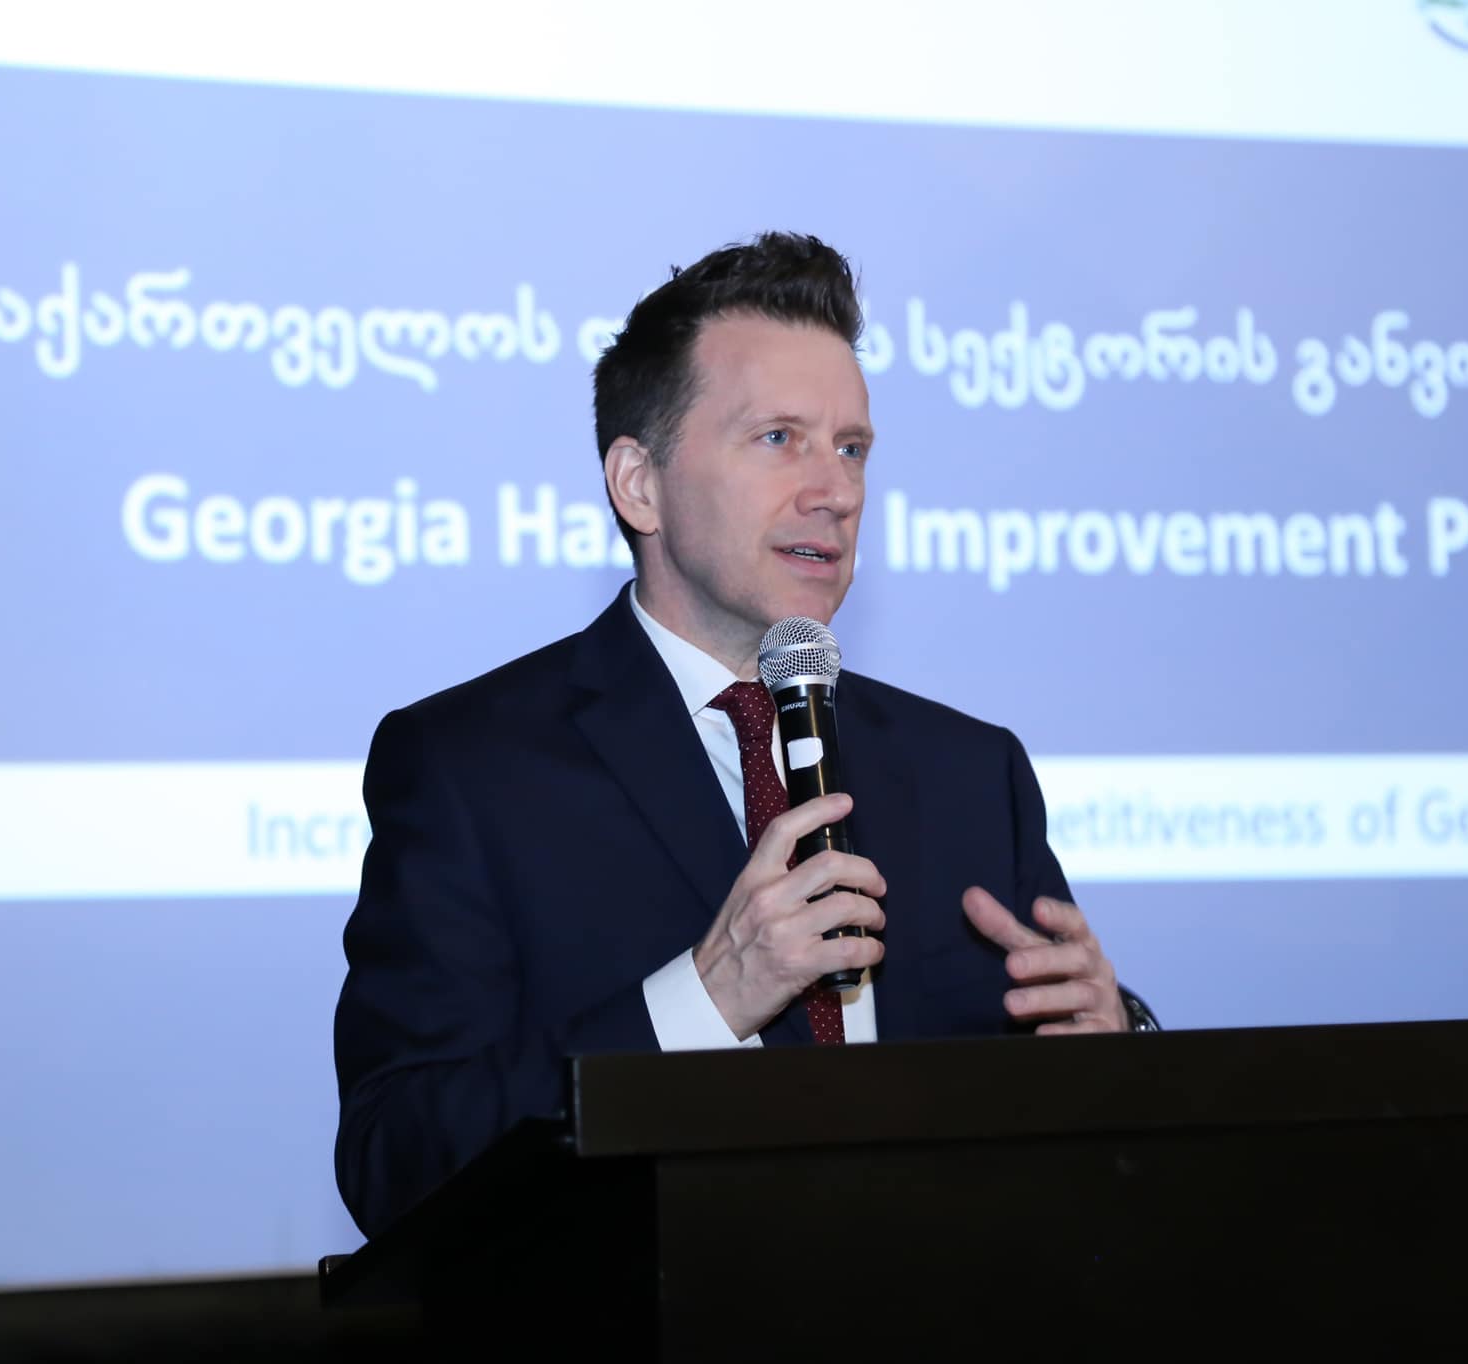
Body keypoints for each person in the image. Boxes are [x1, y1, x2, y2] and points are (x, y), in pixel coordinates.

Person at [332, 231, 1157, 1241]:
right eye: (777, 438)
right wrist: (706, 997)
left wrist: (1115, 1045)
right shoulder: (470, 767)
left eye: (850, 448)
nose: (835, 491)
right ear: (638, 483)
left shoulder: (970, 772)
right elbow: (397, 1157)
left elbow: (1081, 1145)